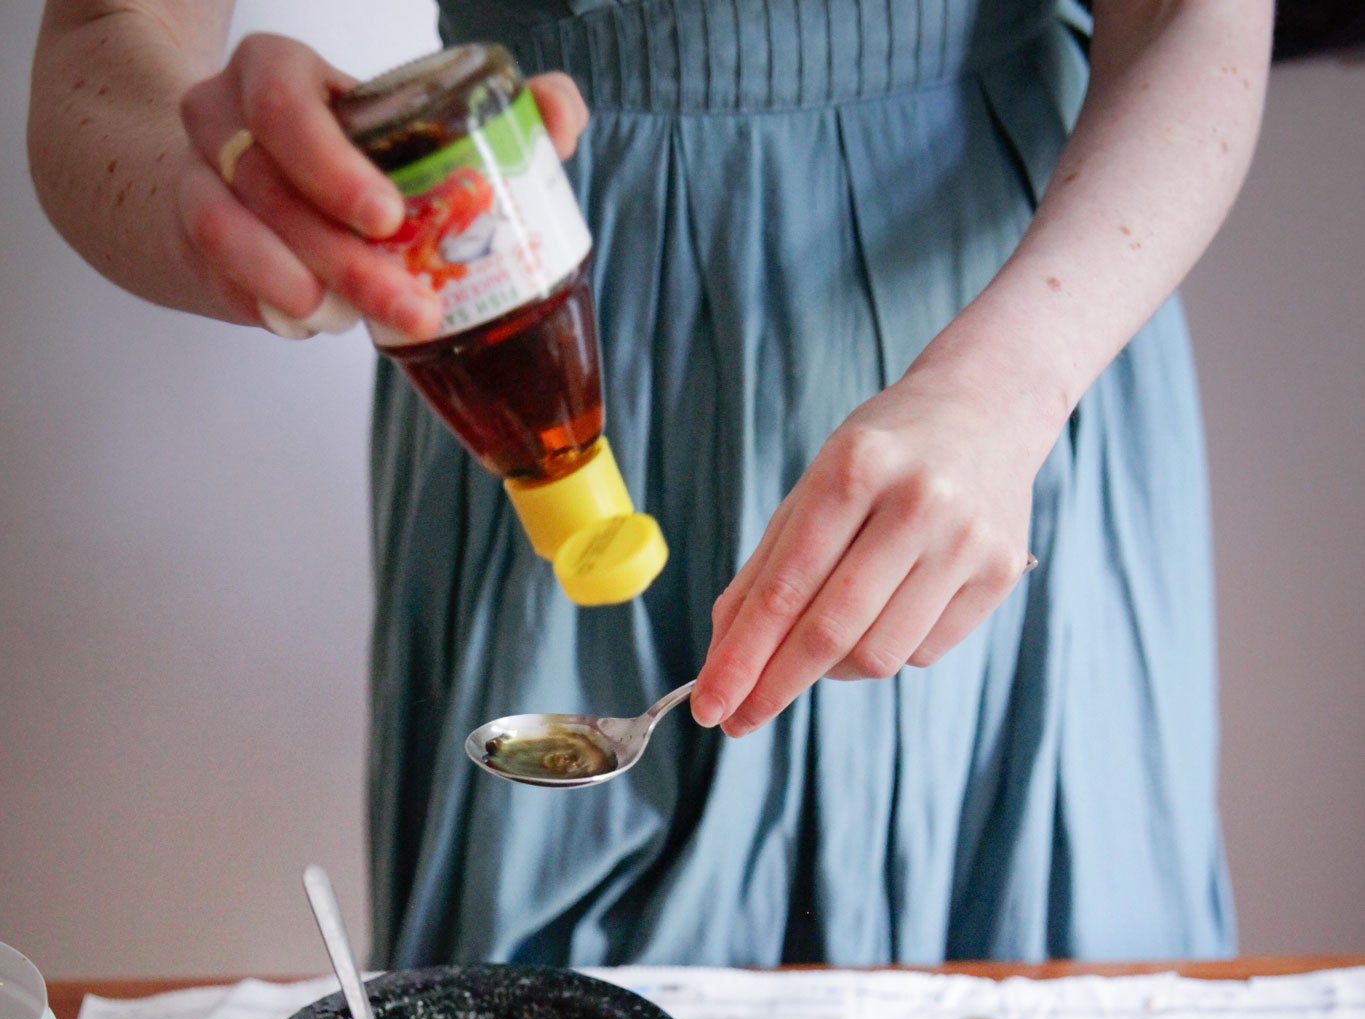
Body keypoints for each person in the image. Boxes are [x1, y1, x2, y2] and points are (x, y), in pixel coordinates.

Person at [28, 1, 1275, 968]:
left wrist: (1010, 387)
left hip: (1017, 343)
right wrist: (228, 195)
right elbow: (102, 38)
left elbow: (1194, 12)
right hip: (510, 315)